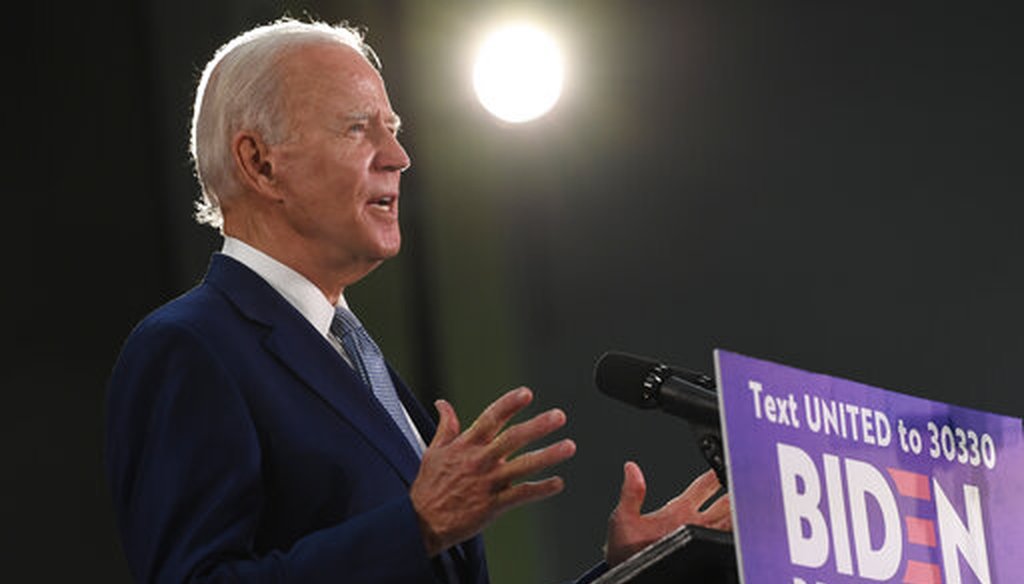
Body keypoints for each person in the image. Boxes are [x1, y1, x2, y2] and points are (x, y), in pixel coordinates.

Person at [104, 17, 731, 584]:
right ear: (260, 163)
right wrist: (417, 526)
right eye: (357, 129)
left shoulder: (354, 357)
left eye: (393, 130)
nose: (399, 157)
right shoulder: (191, 347)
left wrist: (635, 574)